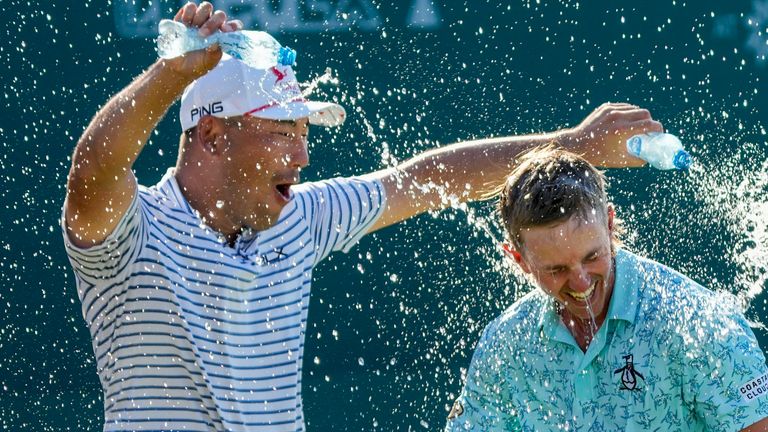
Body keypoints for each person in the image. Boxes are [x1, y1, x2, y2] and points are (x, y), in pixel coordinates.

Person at [62, 2, 661, 431]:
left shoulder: (298, 219)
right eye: (282, 132)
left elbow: (429, 180)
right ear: (214, 136)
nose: (302, 153)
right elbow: (92, 171)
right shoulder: (133, 234)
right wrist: (171, 76)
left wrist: (576, 145)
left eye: (302, 131)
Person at [444, 145, 768, 431]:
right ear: (519, 259)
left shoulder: (698, 323)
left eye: (592, 256)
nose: (581, 281)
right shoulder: (505, 345)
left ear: (610, 224)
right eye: (556, 269)